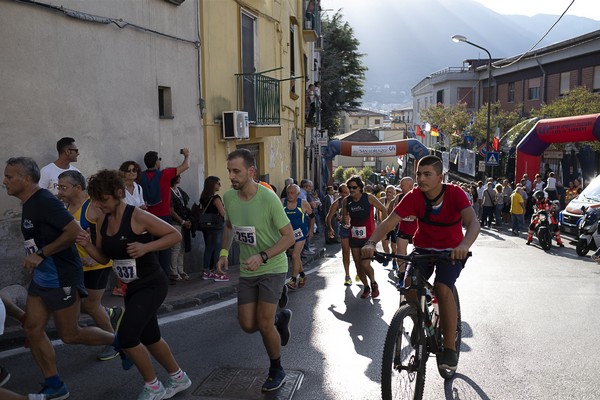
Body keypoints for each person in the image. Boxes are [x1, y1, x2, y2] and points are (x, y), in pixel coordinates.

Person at [3, 157, 115, 399]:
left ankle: (121, 342)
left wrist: (42, 254)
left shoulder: (43, 200)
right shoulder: (30, 202)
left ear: (26, 178)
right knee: (33, 330)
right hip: (43, 278)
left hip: (61, 276)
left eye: (9, 176)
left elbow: (74, 231)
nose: (5, 181)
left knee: (70, 334)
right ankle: (54, 384)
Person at [77, 169, 192, 400]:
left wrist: (146, 247)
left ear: (119, 193)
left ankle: (153, 386)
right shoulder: (103, 219)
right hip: (131, 287)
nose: (100, 204)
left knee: (128, 337)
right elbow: (103, 258)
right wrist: (86, 245)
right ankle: (179, 377)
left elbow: (174, 235)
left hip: (152, 284)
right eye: (96, 200)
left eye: (104, 199)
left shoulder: (137, 216)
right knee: (150, 337)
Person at [361, 155, 479, 371]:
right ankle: (419, 321)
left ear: (440, 177)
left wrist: (464, 245)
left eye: (427, 174)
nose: (421, 179)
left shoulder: (455, 194)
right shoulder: (414, 197)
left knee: (443, 289)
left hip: (451, 252)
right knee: (408, 288)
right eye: (418, 174)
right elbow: (388, 223)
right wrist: (371, 242)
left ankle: (450, 347)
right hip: (423, 249)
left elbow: (473, 223)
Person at [216, 149, 295, 392]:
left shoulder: (268, 198)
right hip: (247, 270)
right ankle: (281, 318)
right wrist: (224, 253)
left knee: (262, 323)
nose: (231, 176)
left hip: (272, 266)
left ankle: (276, 369)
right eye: (229, 171)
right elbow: (229, 226)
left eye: (236, 171)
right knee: (247, 325)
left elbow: (289, 237)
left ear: (251, 172)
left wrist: (262, 256)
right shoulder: (229, 198)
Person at [56, 170, 123, 362]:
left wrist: (96, 258)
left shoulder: (93, 207)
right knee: (79, 305)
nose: (60, 191)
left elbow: (109, 234)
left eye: (63, 187)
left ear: (77, 188)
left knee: (90, 305)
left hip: (97, 265)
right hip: (76, 266)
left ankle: (114, 342)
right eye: (58, 187)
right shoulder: (65, 207)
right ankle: (111, 313)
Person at [139, 149, 190, 278]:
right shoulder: (164, 174)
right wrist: (186, 155)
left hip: (147, 218)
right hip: (163, 216)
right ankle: (164, 276)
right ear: (156, 162)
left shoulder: (140, 177)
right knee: (165, 248)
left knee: (150, 248)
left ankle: (152, 275)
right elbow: (186, 166)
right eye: (159, 160)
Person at [341, 175, 389, 299]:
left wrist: (383, 227)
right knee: (358, 266)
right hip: (354, 237)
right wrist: (344, 222)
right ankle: (366, 286)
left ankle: (374, 283)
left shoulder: (369, 198)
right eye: (349, 187)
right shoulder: (346, 201)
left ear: (360, 188)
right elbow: (344, 217)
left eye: (354, 187)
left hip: (368, 238)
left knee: (365, 264)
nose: (351, 190)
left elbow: (383, 210)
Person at [114, 161, 147, 296]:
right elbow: (120, 208)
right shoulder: (119, 189)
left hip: (136, 225)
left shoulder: (138, 188)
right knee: (122, 255)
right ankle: (119, 286)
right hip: (122, 224)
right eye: (129, 170)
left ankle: (132, 283)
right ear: (123, 172)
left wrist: (143, 208)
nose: (132, 173)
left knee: (134, 255)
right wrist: (139, 209)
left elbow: (140, 204)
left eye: (134, 170)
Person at [283, 184, 314, 290]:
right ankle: (302, 275)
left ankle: (293, 280)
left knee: (295, 256)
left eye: (292, 193)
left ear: (298, 194)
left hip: (301, 234)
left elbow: (312, 217)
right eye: (288, 193)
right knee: (295, 256)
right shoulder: (282, 202)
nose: (290, 195)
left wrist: (311, 230)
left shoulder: (304, 204)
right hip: (287, 235)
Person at [199, 176, 227, 281]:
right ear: (212, 185)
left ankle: (206, 271)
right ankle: (217, 270)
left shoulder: (203, 198)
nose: (220, 185)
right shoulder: (215, 198)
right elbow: (222, 213)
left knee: (209, 248)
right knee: (217, 248)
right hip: (216, 225)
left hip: (206, 225)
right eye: (218, 183)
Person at [326, 184, 353, 286]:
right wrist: (330, 228)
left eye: (348, 192)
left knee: (358, 253)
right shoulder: (337, 203)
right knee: (346, 252)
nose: (348, 194)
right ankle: (347, 275)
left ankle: (360, 271)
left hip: (356, 229)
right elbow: (328, 217)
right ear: (340, 193)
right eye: (345, 192)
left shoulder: (355, 200)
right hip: (345, 229)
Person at [394, 177, 417, 287]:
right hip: (403, 229)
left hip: (416, 230)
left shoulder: (417, 196)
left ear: (410, 186)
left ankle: (416, 276)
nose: (401, 187)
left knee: (419, 254)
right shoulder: (399, 197)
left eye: (403, 185)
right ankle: (402, 275)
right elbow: (393, 212)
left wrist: (416, 215)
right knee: (400, 252)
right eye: (401, 185)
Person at [169, 175, 192, 282]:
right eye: (178, 176)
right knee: (176, 247)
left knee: (182, 247)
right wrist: (182, 221)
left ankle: (180, 269)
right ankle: (173, 271)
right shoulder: (169, 192)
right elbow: (171, 210)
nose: (180, 178)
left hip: (183, 221)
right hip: (175, 222)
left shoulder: (178, 190)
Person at [379, 185, 398, 269]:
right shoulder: (382, 200)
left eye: (390, 192)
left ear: (394, 193)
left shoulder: (396, 201)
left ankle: (394, 260)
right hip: (384, 226)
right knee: (384, 243)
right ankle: (388, 256)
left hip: (394, 227)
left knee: (394, 245)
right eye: (387, 191)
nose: (388, 194)